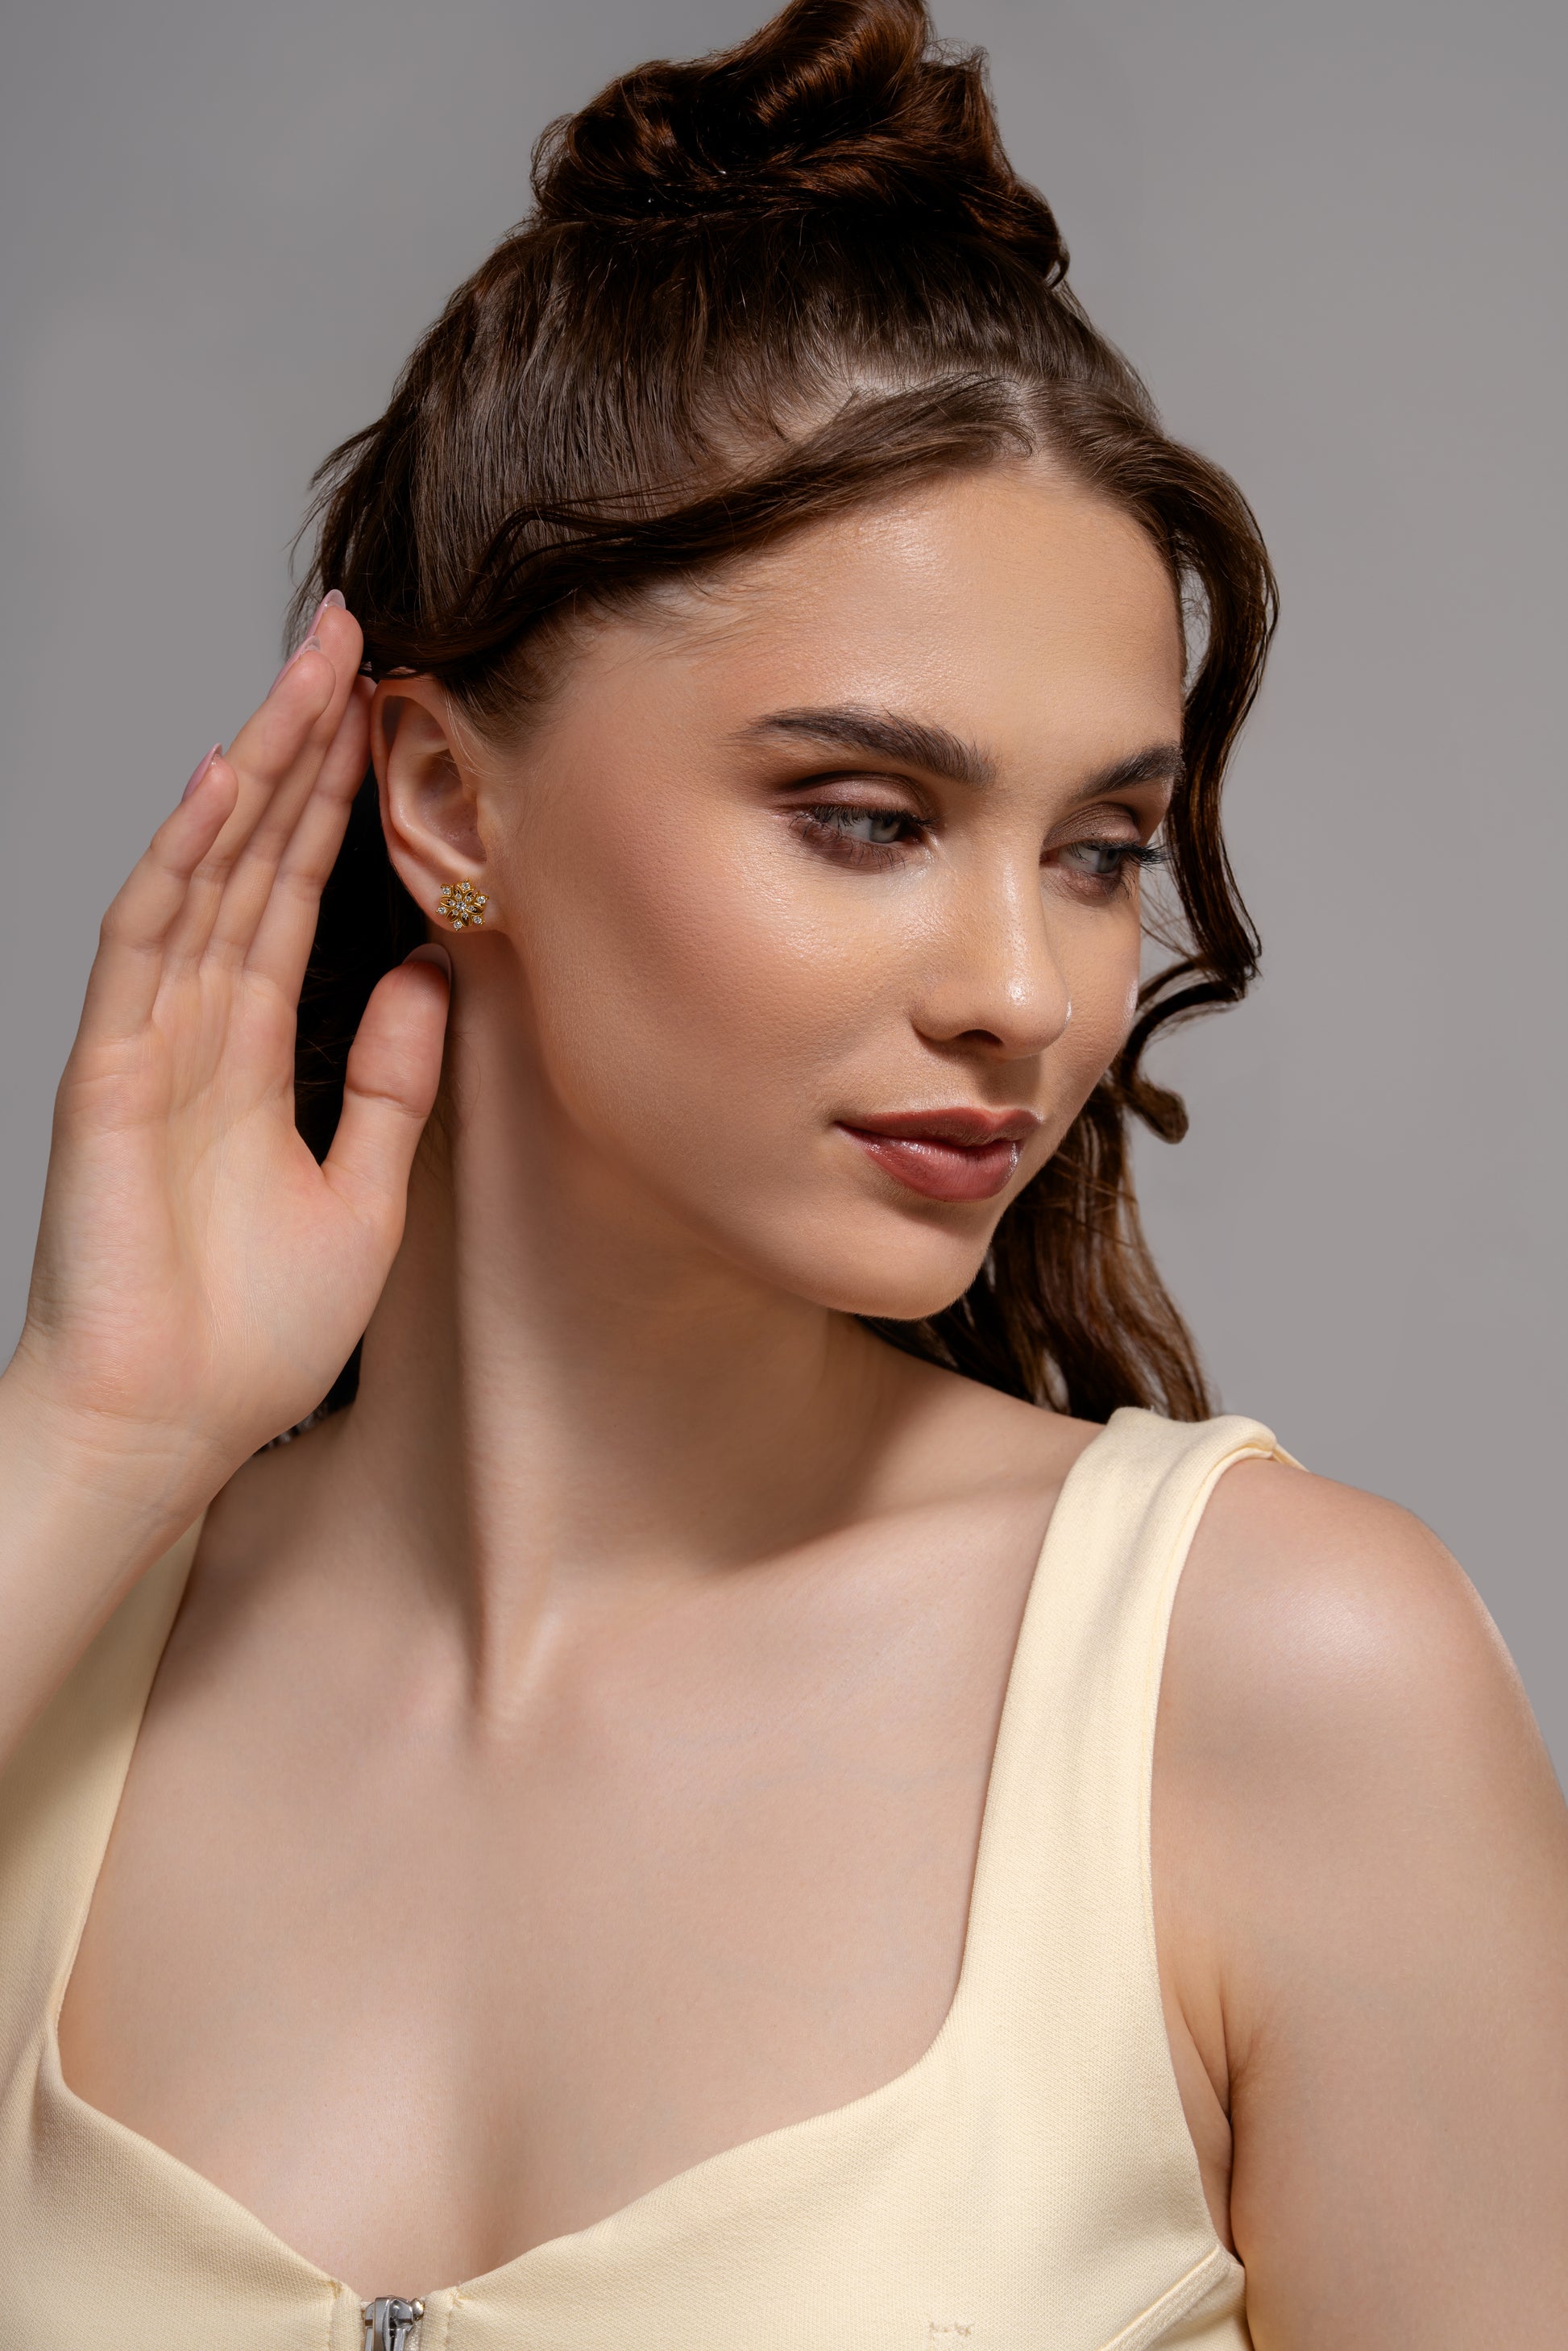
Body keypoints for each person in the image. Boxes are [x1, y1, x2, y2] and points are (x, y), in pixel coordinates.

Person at [1, 0, 1564, 2343]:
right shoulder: (72, 1629)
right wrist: (93, 1440)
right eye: (865, 818)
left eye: (1096, 850)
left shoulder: (1274, 1688)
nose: (1026, 994)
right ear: (444, 802)